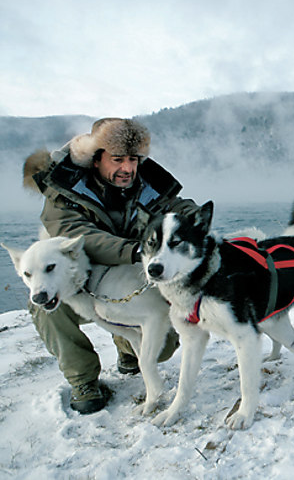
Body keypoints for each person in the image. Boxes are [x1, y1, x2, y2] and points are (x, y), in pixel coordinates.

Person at [23, 118, 200, 414]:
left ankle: (127, 348)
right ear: (96, 159)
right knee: (47, 305)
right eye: (117, 159)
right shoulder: (63, 191)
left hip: (123, 282)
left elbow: (176, 208)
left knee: (164, 345)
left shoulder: (149, 186)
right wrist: (137, 250)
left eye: (133, 159)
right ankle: (83, 380)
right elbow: (81, 237)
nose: (127, 168)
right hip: (76, 280)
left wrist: (196, 221)